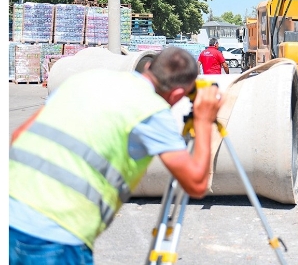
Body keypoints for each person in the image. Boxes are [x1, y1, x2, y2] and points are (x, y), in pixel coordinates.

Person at [9, 47, 224, 264]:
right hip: (56, 235)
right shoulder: (151, 110)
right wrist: (204, 122)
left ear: (148, 66)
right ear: (178, 94)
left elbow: (19, 135)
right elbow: (196, 183)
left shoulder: (86, 79)